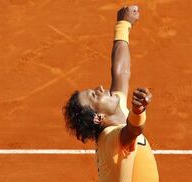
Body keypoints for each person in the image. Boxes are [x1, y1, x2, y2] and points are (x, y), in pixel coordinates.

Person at [63, 5, 159, 182]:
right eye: (95, 96)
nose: (100, 88)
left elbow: (121, 72)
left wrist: (123, 26)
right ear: (99, 117)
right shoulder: (110, 139)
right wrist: (138, 112)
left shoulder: (116, 110)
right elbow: (133, 130)